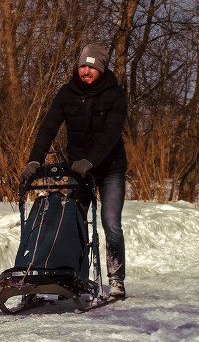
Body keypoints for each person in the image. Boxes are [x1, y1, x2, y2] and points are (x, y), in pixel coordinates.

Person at [18, 44, 128, 299]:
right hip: (79, 170)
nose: (86, 71)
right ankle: (73, 274)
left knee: (110, 222)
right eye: (82, 66)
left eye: (91, 66)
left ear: (101, 69)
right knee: (71, 219)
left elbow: (112, 133)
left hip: (109, 167)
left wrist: (91, 160)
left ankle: (116, 279)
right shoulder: (66, 94)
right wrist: (34, 161)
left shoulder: (115, 95)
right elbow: (48, 127)